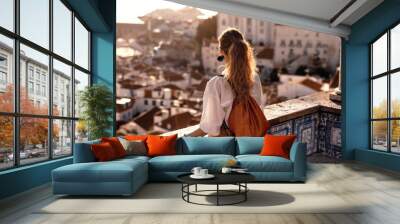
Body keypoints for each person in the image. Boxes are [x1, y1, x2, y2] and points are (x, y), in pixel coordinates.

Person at [189, 28, 269, 137]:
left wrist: (185, 137)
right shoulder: (254, 78)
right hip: (252, 143)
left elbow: (210, 128)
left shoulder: (217, 84)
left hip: (226, 147)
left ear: (221, 51)